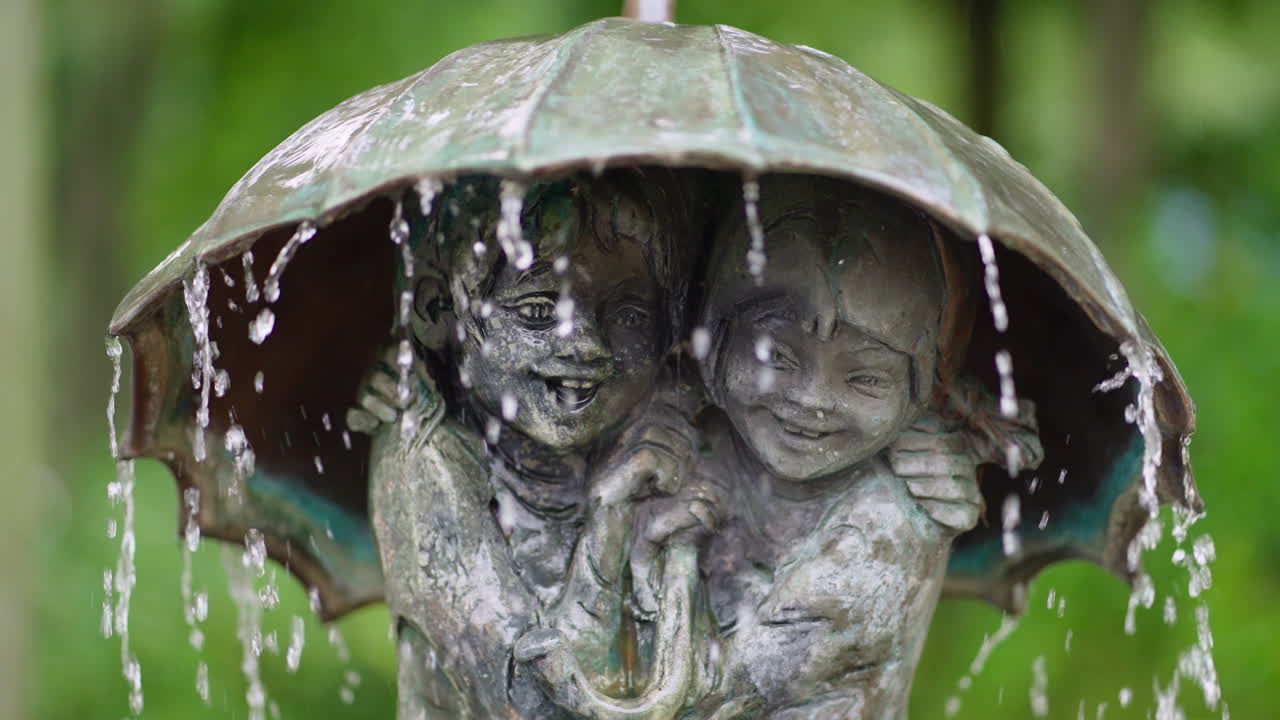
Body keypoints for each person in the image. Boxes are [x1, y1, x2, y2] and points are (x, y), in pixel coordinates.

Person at [357, 169, 704, 718]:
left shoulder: (667, 430)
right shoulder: (424, 456)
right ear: (439, 312)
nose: (588, 346)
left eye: (629, 314)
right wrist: (609, 525)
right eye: (539, 310)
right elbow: (525, 705)